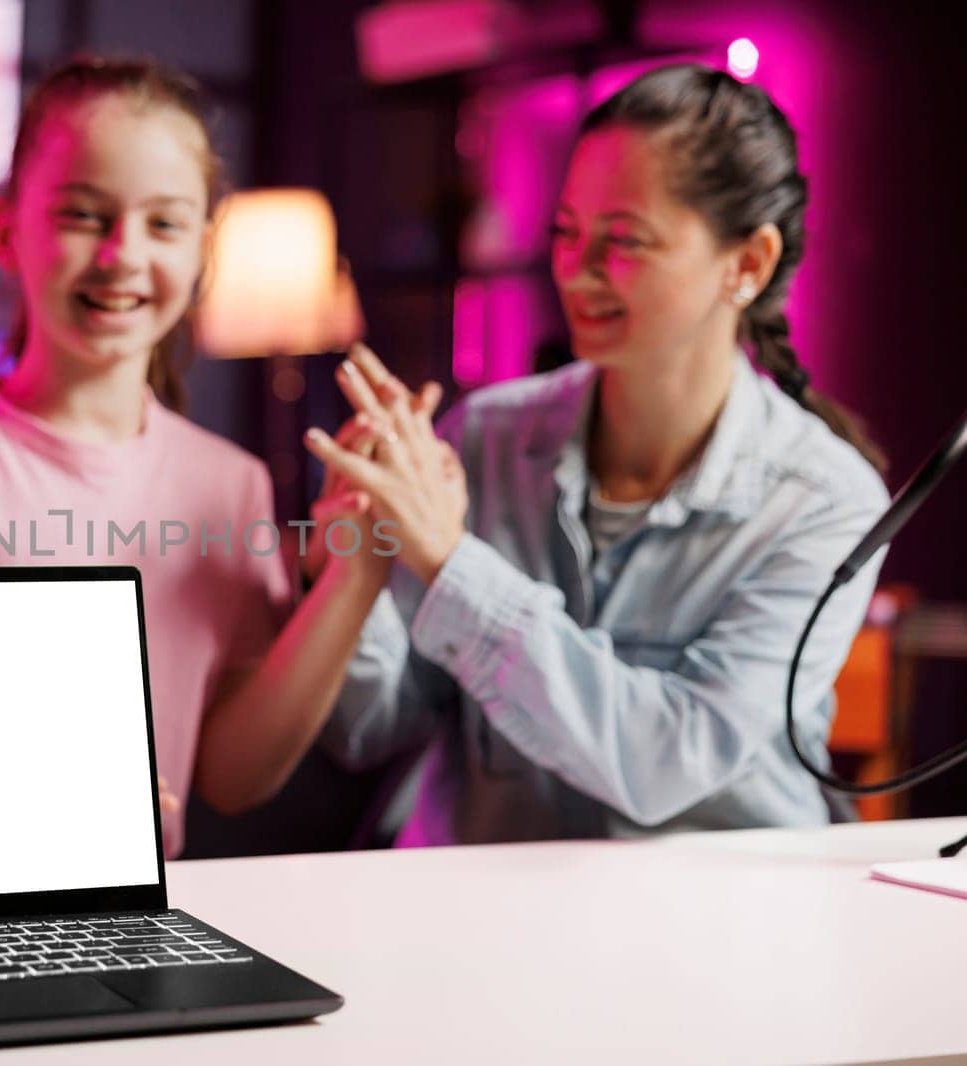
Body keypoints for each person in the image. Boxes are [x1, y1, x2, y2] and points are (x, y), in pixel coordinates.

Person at [301, 63, 890, 844]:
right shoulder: (486, 436)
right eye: (566, 232)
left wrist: (450, 561)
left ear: (747, 264)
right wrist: (353, 568)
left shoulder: (826, 499)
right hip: (491, 924)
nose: (575, 273)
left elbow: (666, 761)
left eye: (624, 241)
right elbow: (372, 725)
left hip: (727, 931)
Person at [0, 56, 382, 857]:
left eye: (163, 224)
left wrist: (356, 571)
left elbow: (231, 772)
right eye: (85, 215)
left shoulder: (231, 486)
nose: (124, 254)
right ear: (6, 232)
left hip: (135, 937)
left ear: (201, 252)